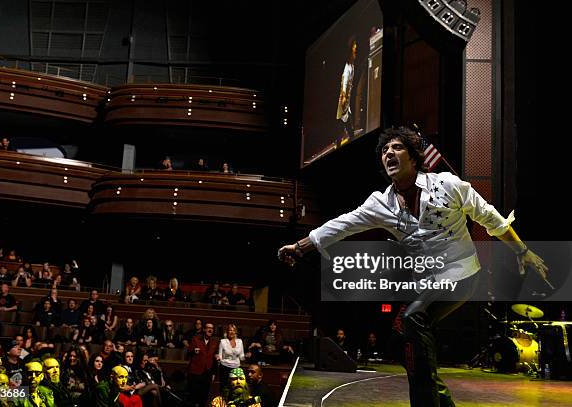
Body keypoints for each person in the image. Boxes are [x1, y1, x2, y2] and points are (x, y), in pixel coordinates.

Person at [277, 126, 549, 407]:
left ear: (415, 157)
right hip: (429, 281)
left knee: (412, 319)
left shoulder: (448, 185)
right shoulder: (381, 203)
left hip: (463, 272)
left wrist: (522, 251)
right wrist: (299, 247)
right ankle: (441, 401)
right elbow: (341, 225)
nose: (388, 154)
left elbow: (490, 218)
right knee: (405, 339)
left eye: (396, 148)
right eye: (384, 150)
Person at [187, 321, 219, 407]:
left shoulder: (215, 342)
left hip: (207, 372)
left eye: (212, 328)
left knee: (204, 396)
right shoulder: (196, 339)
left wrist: (214, 373)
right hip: (195, 371)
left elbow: (215, 358)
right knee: (193, 396)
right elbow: (188, 352)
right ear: (204, 329)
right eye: (208, 328)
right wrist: (194, 351)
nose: (210, 330)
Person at [336, 36, 358, 146]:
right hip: (344, 98)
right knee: (343, 120)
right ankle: (342, 140)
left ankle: (348, 137)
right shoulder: (347, 67)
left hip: (347, 98)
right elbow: (344, 80)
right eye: (354, 47)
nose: (356, 49)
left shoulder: (352, 65)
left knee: (344, 119)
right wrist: (344, 96)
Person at [217, 324, 245, 390]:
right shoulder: (223, 341)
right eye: (230, 330)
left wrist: (247, 356)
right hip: (225, 368)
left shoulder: (240, 341)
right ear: (227, 332)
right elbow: (220, 356)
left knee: (235, 388)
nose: (232, 332)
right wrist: (218, 358)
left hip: (236, 368)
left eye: (233, 330)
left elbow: (242, 356)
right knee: (224, 388)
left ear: (235, 332)